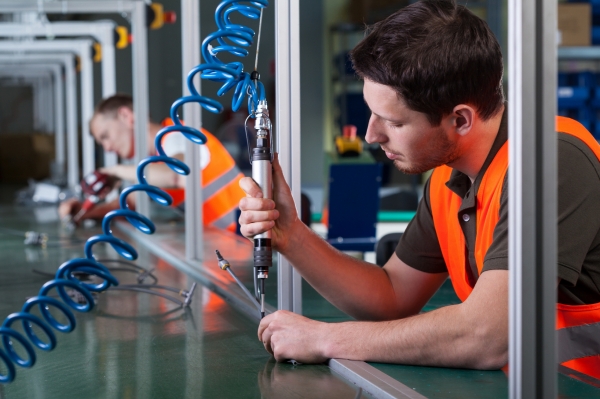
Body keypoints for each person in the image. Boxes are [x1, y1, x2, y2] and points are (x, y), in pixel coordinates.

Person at [238, 0, 600, 376]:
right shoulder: (450, 177)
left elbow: (487, 336)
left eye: (392, 122)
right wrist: (292, 235)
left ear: (459, 119)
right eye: (371, 113)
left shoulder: (551, 162)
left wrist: (326, 339)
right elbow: (392, 296)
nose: (370, 134)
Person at [59, 94, 245, 231]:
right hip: (229, 240)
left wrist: (114, 171)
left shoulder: (176, 135)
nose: (107, 148)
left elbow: (176, 175)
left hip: (246, 235)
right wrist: (84, 212)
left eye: (105, 136)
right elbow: (130, 203)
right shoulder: (154, 161)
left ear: (126, 116)